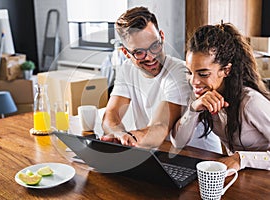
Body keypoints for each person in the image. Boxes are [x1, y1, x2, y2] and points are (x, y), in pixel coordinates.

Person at [101, 6, 221, 151]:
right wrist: (118, 133)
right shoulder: (126, 69)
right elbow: (111, 114)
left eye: (155, 46)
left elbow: (161, 126)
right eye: (139, 53)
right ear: (126, 53)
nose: (151, 57)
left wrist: (131, 138)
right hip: (161, 152)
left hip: (199, 155)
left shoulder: (181, 72)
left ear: (162, 37)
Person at [171, 22, 270, 171]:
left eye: (203, 74)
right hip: (241, 177)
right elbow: (178, 143)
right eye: (189, 73)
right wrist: (193, 109)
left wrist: (240, 159)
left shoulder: (251, 102)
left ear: (226, 70)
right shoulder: (201, 96)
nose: (194, 82)